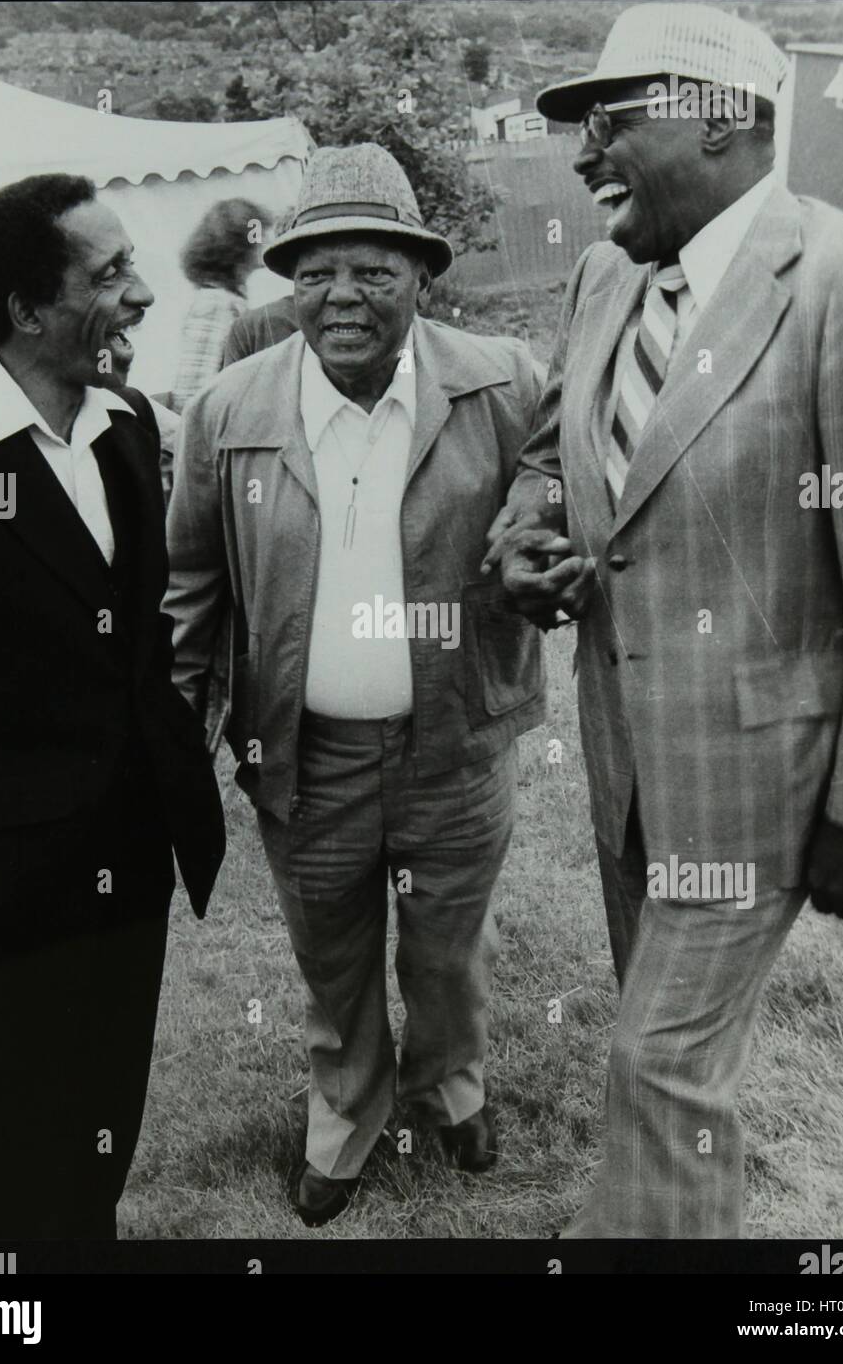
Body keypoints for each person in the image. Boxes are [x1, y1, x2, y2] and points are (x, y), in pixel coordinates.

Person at [485, 3, 843, 1238]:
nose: (584, 152)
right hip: (627, 769)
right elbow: (554, 454)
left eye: (610, 119)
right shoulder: (605, 273)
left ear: (723, 123)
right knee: (675, 1065)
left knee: (656, 1062)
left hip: (766, 772)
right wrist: (520, 536)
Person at [165, 143, 545, 1227]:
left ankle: (450, 1086)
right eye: (316, 270)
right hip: (305, 753)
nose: (342, 295)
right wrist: (175, 727)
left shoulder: (502, 382)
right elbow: (192, 582)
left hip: (456, 745)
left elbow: (560, 484)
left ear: (423, 276)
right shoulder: (229, 410)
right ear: (289, 282)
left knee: (445, 946)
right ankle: (348, 1108)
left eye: (373, 270)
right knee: (330, 953)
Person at [0, 173, 227, 1239]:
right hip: (6, 877)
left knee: (101, 1118)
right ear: (25, 310)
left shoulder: (130, 422)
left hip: (132, 846)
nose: (144, 293)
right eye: (110, 274)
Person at [170, 198, 272, 412]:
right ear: (235, 244)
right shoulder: (215, 303)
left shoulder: (230, 299)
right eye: (256, 233)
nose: (265, 239)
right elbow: (195, 390)